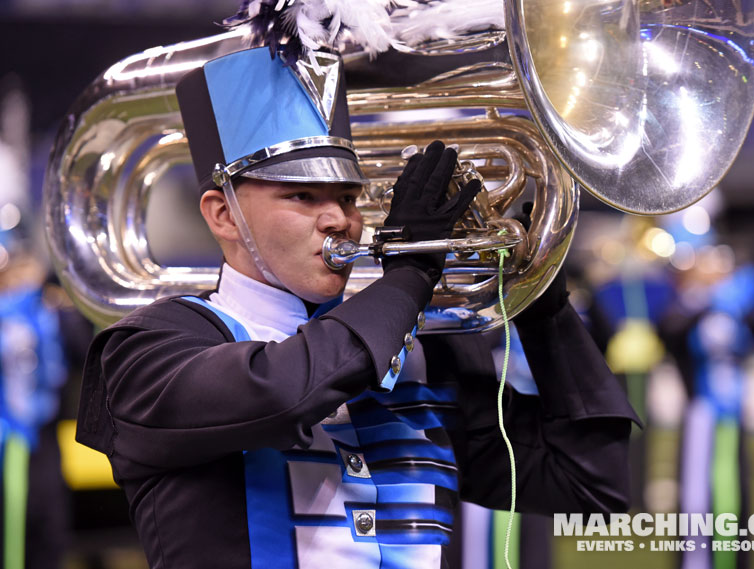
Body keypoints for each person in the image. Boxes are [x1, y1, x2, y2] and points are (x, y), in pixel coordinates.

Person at [75, 44, 638, 569]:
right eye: (302, 196)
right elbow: (283, 392)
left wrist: (542, 300)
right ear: (222, 215)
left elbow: (591, 485)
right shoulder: (146, 351)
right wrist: (412, 276)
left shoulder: (425, 355)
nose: (338, 220)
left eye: (347, 198)